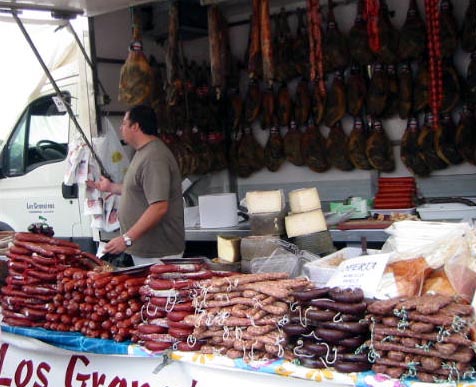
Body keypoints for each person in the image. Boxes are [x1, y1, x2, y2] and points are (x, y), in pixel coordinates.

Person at [88, 104, 185, 265]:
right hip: (146, 250)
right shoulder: (142, 152)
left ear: (136, 126)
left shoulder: (154, 157)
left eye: (124, 124)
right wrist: (110, 187)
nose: (121, 128)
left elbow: (159, 206)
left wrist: (126, 239)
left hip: (159, 252)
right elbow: (139, 189)